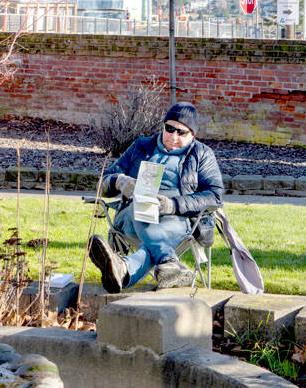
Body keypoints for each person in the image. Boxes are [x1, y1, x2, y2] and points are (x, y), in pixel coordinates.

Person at [88, 102, 224, 293]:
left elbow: (215, 196)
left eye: (181, 132)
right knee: (140, 205)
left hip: (177, 218)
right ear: (163, 126)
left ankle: (123, 269)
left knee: (151, 242)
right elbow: (102, 182)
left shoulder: (201, 154)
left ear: (193, 135)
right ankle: (168, 261)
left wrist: (172, 204)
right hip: (133, 216)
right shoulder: (142, 146)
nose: (173, 136)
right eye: (169, 129)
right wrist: (119, 181)